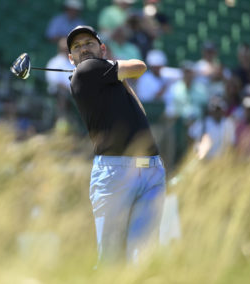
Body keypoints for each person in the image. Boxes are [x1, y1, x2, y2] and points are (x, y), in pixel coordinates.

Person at [66, 25, 166, 265]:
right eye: (77, 48)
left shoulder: (107, 78)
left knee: (140, 258)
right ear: (71, 59)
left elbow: (139, 110)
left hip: (149, 169)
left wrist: (117, 77)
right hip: (116, 171)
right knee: (112, 260)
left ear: (102, 48)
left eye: (88, 44)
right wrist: (111, 65)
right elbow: (139, 66)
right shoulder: (87, 69)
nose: (83, 50)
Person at [45, 37, 76, 126]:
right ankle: (62, 120)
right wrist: (70, 89)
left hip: (74, 91)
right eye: (65, 48)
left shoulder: (74, 63)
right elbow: (54, 81)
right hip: (59, 92)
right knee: (62, 93)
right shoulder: (54, 62)